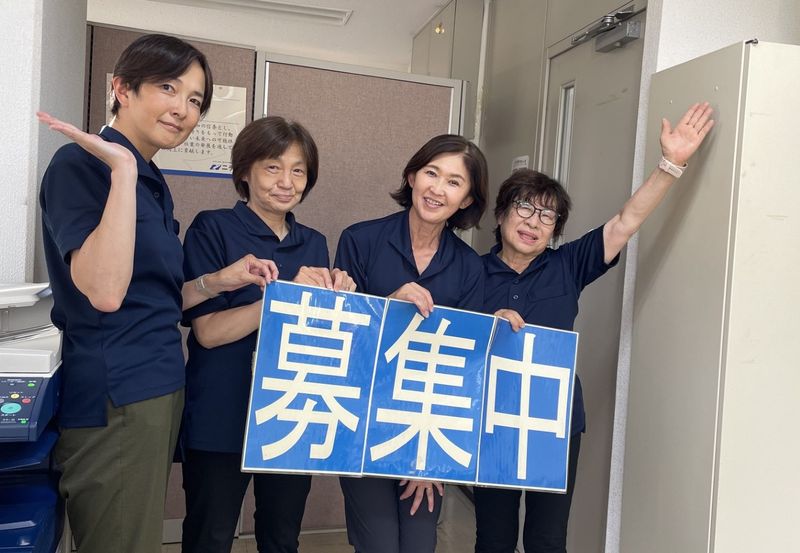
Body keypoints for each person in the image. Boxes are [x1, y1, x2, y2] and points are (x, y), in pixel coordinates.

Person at [38, 34, 276, 553]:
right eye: (168, 88)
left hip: (159, 384)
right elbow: (105, 292)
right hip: (117, 389)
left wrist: (220, 280)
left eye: (195, 99)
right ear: (123, 89)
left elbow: (153, 297)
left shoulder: (150, 180)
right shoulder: (82, 167)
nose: (183, 109)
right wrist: (122, 171)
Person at [474, 102, 715, 553]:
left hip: (555, 420)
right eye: (524, 208)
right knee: (493, 537)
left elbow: (625, 222)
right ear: (501, 214)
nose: (533, 222)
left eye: (547, 216)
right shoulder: (470, 272)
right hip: (489, 418)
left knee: (548, 539)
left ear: (555, 231)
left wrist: (671, 163)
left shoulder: (567, 265)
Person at [179, 116, 354, 553]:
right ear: (245, 172)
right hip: (222, 410)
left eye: (298, 171)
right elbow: (209, 333)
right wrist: (284, 296)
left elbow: (315, 333)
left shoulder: (314, 242)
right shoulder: (212, 228)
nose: (286, 182)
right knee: (210, 535)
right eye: (272, 167)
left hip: (291, 412)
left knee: (281, 536)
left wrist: (340, 299)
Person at [334, 134, 489, 553]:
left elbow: (464, 367)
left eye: (454, 182)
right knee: (379, 544)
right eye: (431, 173)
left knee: (419, 543)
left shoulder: (469, 267)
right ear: (412, 177)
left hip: (426, 426)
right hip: (362, 420)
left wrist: (432, 454)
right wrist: (389, 305)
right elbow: (342, 340)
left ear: (467, 199)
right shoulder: (360, 240)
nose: (438, 189)